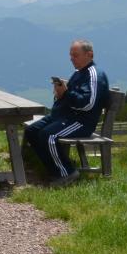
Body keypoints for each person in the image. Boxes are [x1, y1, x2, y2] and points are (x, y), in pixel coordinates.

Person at [25, 39, 110, 186]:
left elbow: (88, 104)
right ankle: (53, 170)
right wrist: (60, 93)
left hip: (81, 122)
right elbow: (69, 96)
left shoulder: (94, 75)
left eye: (75, 55)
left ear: (89, 55)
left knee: (49, 135)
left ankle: (68, 174)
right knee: (31, 131)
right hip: (64, 117)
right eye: (71, 55)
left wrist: (65, 93)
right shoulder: (79, 72)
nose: (71, 58)